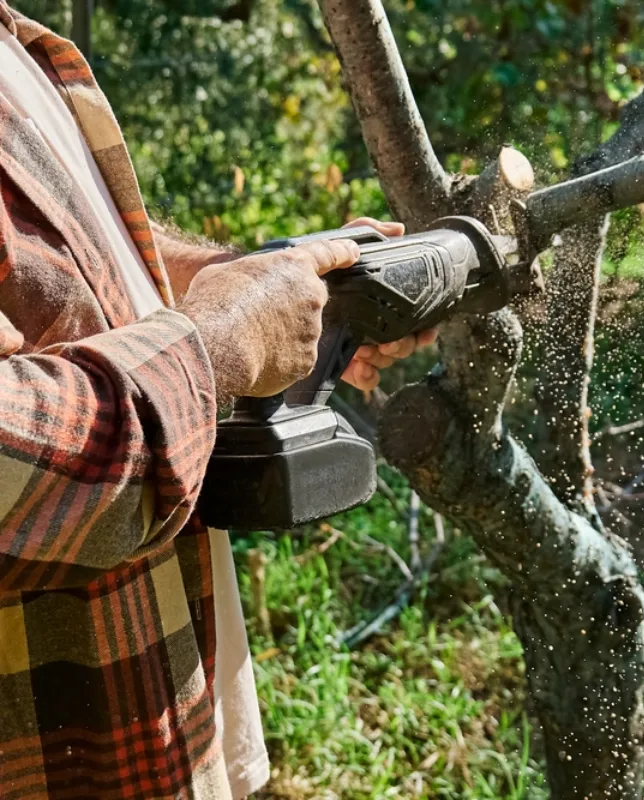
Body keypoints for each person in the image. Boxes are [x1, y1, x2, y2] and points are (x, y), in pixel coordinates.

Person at [0, 3, 433, 797]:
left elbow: (64, 264)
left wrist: (251, 283)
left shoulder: (13, 39)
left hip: (155, 714)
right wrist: (220, 341)